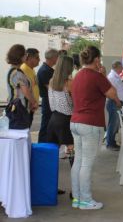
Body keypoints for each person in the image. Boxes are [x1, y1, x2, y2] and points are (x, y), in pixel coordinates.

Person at [70, 46, 121, 210]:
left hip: (75, 122)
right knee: (87, 163)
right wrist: (102, 74)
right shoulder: (96, 76)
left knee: (78, 161)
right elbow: (113, 93)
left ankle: (77, 198)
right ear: (97, 59)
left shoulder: (77, 76)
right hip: (90, 124)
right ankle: (85, 200)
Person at [47, 56, 74, 195]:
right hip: (66, 121)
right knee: (73, 157)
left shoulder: (52, 82)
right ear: (69, 68)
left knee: (52, 156)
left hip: (54, 119)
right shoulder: (69, 83)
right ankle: (75, 190)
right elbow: (76, 103)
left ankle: (50, 187)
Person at [6, 44, 37, 119]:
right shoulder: (17, 73)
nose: (27, 56)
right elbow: (25, 90)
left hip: (19, 108)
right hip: (19, 109)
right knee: (21, 129)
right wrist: (34, 102)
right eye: (25, 54)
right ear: (20, 56)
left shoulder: (15, 71)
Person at [37, 49, 59, 142]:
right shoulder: (44, 70)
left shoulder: (49, 69)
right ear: (53, 58)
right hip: (48, 100)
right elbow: (51, 88)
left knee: (50, 125)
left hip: (50, 100)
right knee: (46, 125)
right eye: (57, 57)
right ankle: (42, 146)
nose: (58, 59)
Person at [106, 60, 123, 151]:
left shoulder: (116, 76)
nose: (122, 68)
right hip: (115, 102)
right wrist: (118, 101)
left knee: (116, 124)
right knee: (113, 124)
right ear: (117, 67)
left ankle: (112, 142)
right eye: (121, 67)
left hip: (117, 103)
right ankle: (110, 144)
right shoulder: (111, 77)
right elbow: (112, 91)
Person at [21, 48, 40, 126]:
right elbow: (24, 90)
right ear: (30, 58)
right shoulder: (23, 69)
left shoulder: (31, 69)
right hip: (26, 107)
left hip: (31, 107)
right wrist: (33, 102)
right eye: (37, 57)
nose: (39, 60)